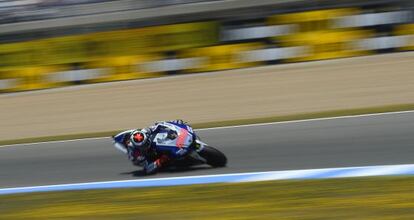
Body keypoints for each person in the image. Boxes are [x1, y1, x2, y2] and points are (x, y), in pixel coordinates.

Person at [125, 119, 191, 174]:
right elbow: (147, 168)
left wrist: (174, 124)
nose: (145, 145)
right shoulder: (136, 154)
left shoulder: (146, 131)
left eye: (146, 143)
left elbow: (159, 124)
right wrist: (160, 161)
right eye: (143, 145)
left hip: (158, 143)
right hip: (151, 156)